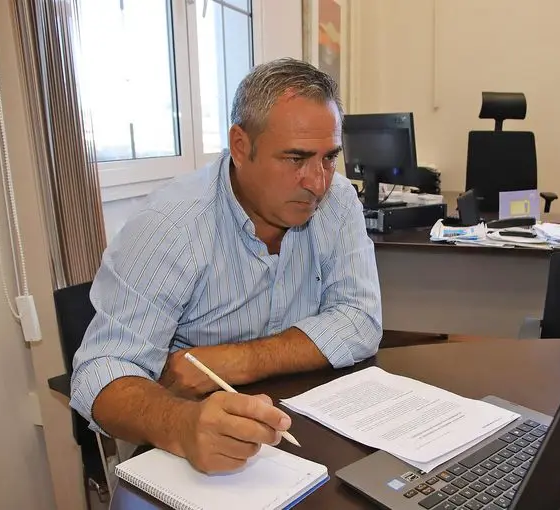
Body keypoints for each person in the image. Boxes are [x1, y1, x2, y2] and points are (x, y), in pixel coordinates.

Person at [70, 58, 382, 474]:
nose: (318, 183)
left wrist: (237, 360)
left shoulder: (338, 201)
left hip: (298, 433)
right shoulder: (171, 226)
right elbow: (100, 373)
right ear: (240, 146)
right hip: (190, 452)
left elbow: (360, 320)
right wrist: (182, 424)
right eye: (295, 158)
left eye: (329, 158)